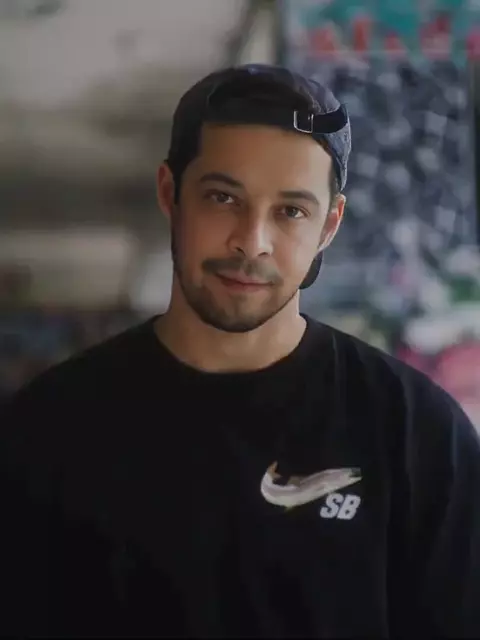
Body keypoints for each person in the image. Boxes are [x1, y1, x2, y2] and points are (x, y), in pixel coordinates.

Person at [1, 63, 479, 639]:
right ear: (170, 194)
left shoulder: (418, 438)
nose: (252, 241)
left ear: (329, 226)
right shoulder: (50, 430)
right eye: (223, 197)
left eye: (291, 211)